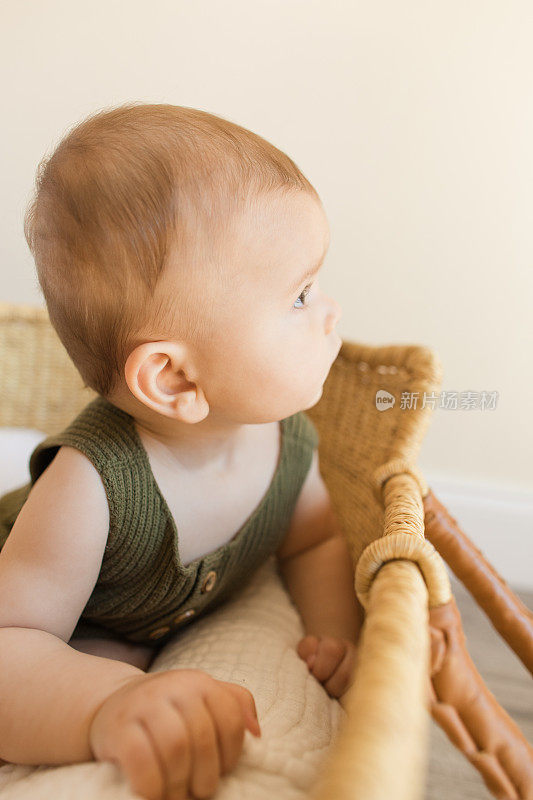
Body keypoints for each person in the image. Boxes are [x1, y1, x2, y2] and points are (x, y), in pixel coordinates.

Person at [0, 102, 364, 800]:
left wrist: (333, 637)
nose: (330, 311)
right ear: (175, 378)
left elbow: (314, 540)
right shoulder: (89, 486)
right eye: (299, 296)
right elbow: (12, 642)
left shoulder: (287, 437)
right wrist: (103, 702)